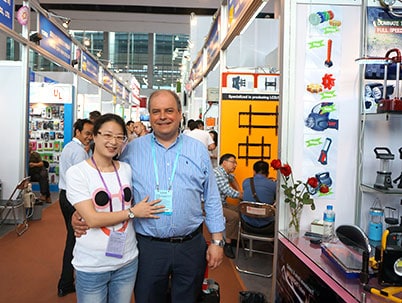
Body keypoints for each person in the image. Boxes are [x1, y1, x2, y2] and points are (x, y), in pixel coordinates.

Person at [73, 89, 225, 303]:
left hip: (191, 245)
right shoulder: (131, 150)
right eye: (156, 111)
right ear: (149, 116)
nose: (163, 116)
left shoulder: (197, 150)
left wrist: (217, 241)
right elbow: (110, 185)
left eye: (169, 110)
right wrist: (81, 213)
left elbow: (211, 197)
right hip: (148, 247)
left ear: (180, 114)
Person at [66, 114, 164, 303]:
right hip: (92, 264)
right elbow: (92, 219)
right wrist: (133, 212)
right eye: (108, 135)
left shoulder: (126, 169)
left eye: (120, 137)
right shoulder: (78, 173)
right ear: (94, 136)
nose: (113, 142)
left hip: (127, 260)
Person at [57, 118, 94, 297]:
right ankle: (66, 282)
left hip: (64, 196)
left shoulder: (69, 147)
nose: (89, 137)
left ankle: (67, 281)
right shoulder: (79, 152)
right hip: (74, 199)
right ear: (77, 132)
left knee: (72, 238)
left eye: (91, 134)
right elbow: (84, 180)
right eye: (87, 133)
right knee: (75, 238)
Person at [214, 153, 243, 259]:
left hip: (221, 203)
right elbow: (227, 190)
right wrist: (241, 195)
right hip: (212, 205)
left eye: (236, 163)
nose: (235, 165)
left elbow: (232, 178)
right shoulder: (218, 173)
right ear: (224, 162)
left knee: (241, 210)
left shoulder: (225, 173)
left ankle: (235, 238)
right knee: (233, 217)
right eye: (233, 162)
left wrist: (240, 190)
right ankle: (228, 244)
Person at [241, 160, 276, 233]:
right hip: (267, 227)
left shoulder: (246, 182)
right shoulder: (274, 185)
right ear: (267, 172)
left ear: (254, 171)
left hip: (247, 225)